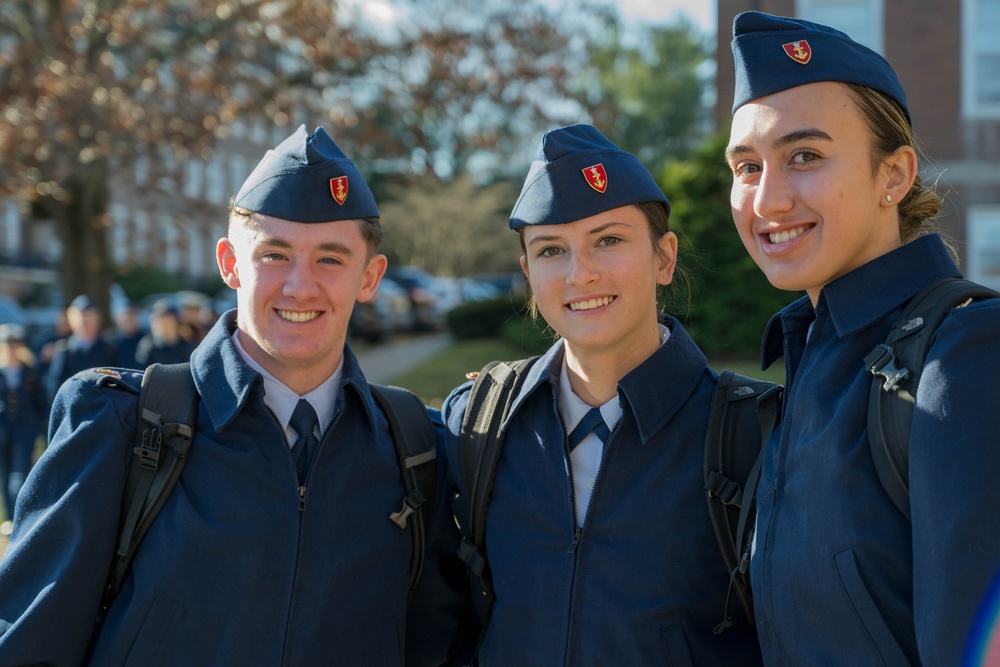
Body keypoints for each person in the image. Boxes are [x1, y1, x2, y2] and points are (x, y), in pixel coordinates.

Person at [0, 125, 471, 665]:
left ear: (370, 277)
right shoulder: (120, 424)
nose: (299, 285)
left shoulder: (415, 448)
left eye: (331, 259)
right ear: (229, 263)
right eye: (274, 254)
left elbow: (438, 648)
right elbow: (26, 645)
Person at [725, 11, 1000, 665]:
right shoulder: (813, 357)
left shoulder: (964, 355)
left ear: (895, 175)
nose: (768, 200)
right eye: (746, 167)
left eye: (805, 156)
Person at [441, 124, 763, 665]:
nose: (580, 273)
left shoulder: (755, 434)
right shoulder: (474, 424)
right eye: (550, 251)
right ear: (528, 274)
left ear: (664, 258)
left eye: (608, 240)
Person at [0, 324, 47, 526]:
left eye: (15, 345)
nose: (11, 349)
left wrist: (39, 429)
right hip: (2, 432)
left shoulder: (30, 373)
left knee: (19, 477)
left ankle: (21, 517)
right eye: (7, 345)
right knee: (4, 476)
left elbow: (41, 403)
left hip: (24, 432)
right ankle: (10, 518)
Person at [45, 294, 117, 402]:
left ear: (97, 319)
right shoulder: (65, 350)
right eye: (80, 316)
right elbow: (55, 388)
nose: (85, 321)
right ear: (71, 320)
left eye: (89, 315)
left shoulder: (109, 349)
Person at [134, 300, 195, 366]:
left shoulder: (185, 345)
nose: (161, 322)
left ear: (175, 320)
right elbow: (142, 369)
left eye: (165, 318)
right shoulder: (148, 343)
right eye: (157, 318)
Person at [108, 303, 144, 369]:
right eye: (126, 319)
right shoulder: (110, 342)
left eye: (132, 319)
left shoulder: (145, 341)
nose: (129, 322)